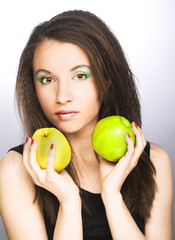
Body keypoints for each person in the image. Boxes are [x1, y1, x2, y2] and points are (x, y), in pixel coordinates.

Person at [0, 10, 173, 240]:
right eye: (47, 79)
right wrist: (69, 203)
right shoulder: (15, 170)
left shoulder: (154, 162)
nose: (62, 96)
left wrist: (112, 197)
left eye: (80, 76)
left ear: (107, 78)